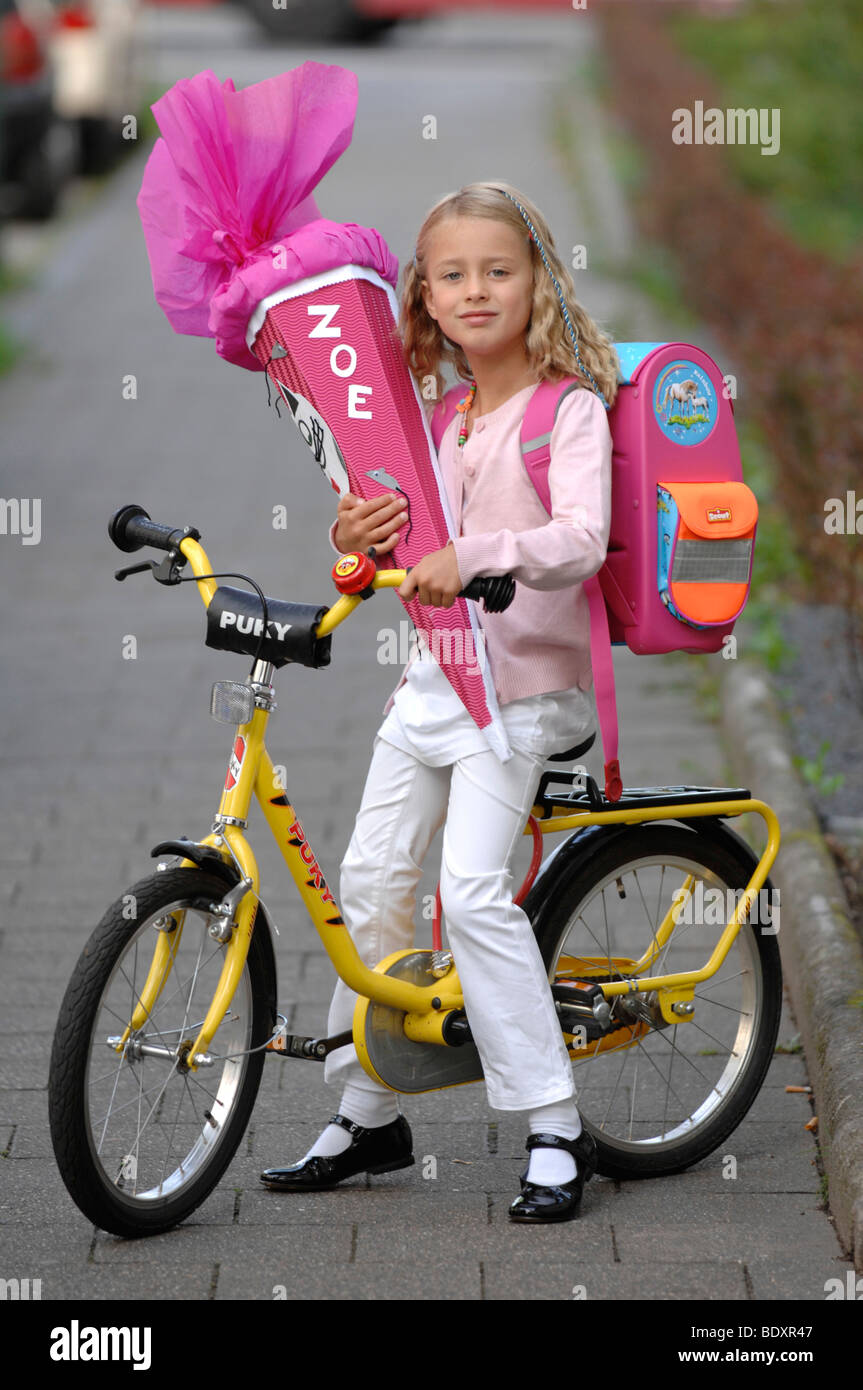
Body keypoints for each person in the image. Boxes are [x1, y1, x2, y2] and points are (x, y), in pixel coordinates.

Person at [260, 181, 620, 1222]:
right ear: (422, 294)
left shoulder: (567, 412)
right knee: (370, 877)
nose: (474, 290)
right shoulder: (439, 416)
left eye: (496, 271)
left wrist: (472, 556)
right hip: (433, 688)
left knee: (466, 892)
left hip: (526, 698)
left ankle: (552, 1122)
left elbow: (578, 541)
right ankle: (370, 1111)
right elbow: (395, 539)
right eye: (451, 274)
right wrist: (357, 533)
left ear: (535, 284)